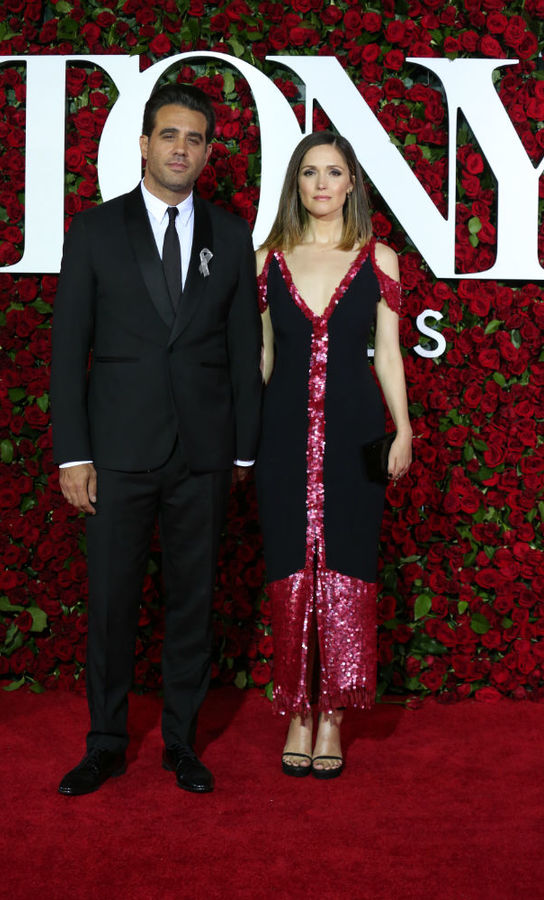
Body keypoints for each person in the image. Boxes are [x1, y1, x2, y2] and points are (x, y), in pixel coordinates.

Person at [50, 83, 262, 796]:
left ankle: (182, 743)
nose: (181, 148)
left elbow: (240, 351)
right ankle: (106, 741)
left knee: (192, 604)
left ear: (207, 152)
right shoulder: (95, 231)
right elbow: (67, 349)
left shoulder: (231, 237)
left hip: (203, 456)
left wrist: (242, 451)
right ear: (143, 143)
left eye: (195, 138)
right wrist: (73, 453)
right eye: (169, 135)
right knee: (110, 604)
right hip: (116, 453)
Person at [255, 131, 412, 779]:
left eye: (334, 172)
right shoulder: (267, 257)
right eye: (310, 173)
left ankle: (334, 718)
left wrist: (403, 429)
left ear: (352, 184)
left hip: (354, 434)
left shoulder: (380, 259)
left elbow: (390, 353)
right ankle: (297, 708)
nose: (322, 184)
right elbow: (261, 358)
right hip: (281, 439)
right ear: (296, 184)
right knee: (290, 563)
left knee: (347, 564)